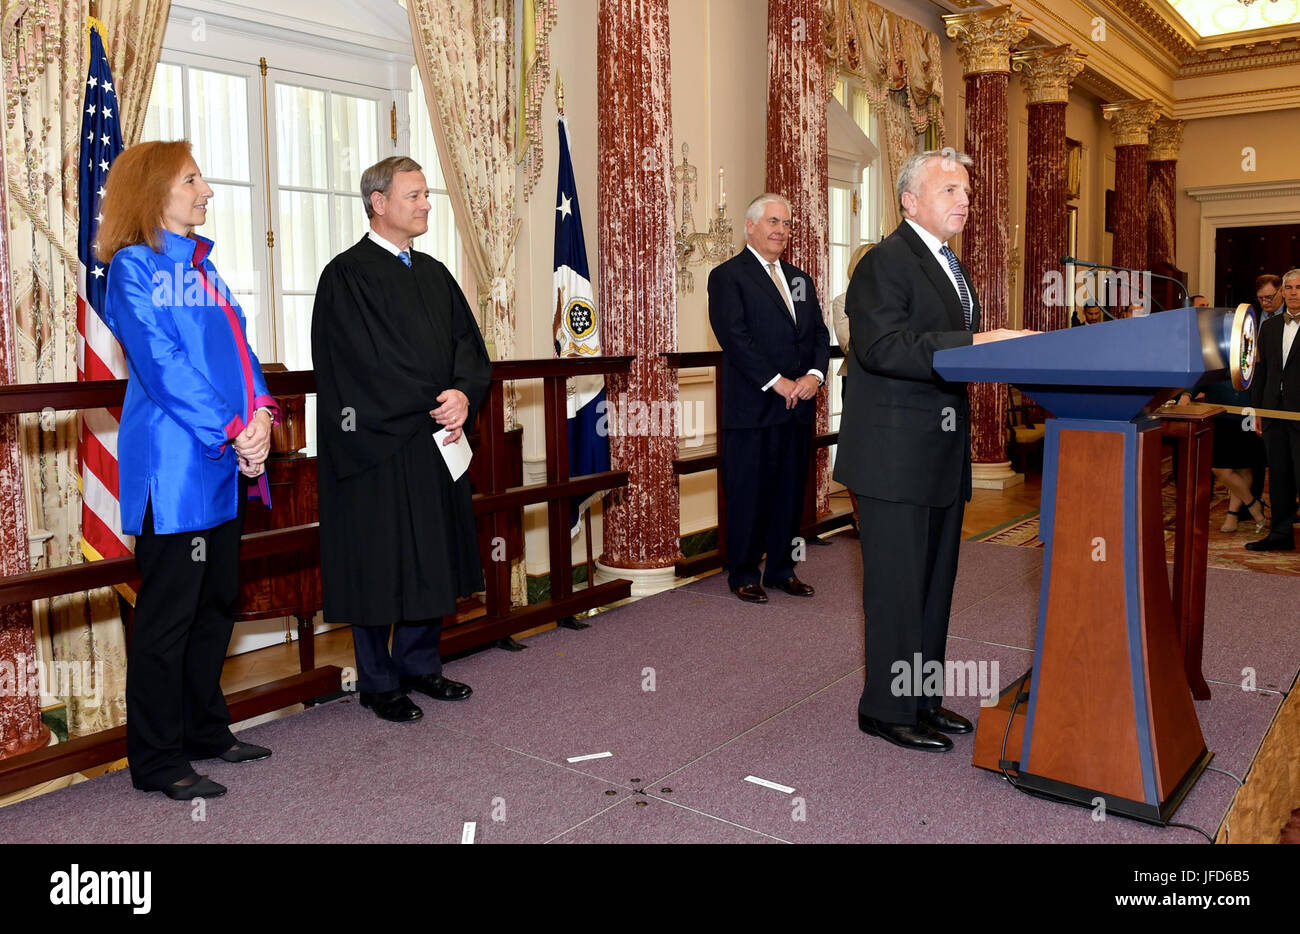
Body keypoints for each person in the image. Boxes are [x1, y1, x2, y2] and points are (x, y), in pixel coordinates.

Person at [834, 147, 1030, 752]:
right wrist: (977, 342)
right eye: (950, 189)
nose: (964, 199)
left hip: (939, 455)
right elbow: (883, 348)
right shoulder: (883, 264)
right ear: (910, 201)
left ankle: (919, 698)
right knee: (896, 588)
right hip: (893, 460)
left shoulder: (950, 265)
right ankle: (885, 710)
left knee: (934, 587)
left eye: (966, 190)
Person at [100, 140, 278, 800]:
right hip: (174, 474)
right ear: (155, 192)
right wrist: (234, 430)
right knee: (167, 619)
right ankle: (156, 759)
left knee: (217, 605)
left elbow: (242, 351)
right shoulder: (131, 269)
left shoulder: (204, 270)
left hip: (225, 466)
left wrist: (261, 416)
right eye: (192, 179)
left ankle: (207, 730)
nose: (205, 190)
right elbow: (163, 366)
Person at [311, 157, 491, 722]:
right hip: (377, 446)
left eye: (426, 195)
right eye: (414, 195)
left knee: (430, 559)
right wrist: (433, 399)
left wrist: (462, 393)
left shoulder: (436, 274)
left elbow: (469, 344)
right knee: (380, 564)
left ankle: (420, 665)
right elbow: (360, 365)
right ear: (378, 202)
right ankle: (378, 680)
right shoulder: (346, 275)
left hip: (436, 439)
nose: (425, 205)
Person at [707, 193, 831, 604]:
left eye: (787, 223)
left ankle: (781, 569)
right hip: (753, 408)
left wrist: (814, 376)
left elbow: (817, 334)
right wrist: (776, 381)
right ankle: (743, 573)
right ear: (751, 226)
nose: (781, 230)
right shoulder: (728, 276)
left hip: (798, 408)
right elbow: (735, 338)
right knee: (748, 493)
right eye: (773, 222)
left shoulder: (800, 279)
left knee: (788, 494)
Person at [1246, 268, 1300, 551]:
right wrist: (1257, 410)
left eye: (1298, 288)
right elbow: (1262, 372)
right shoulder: (1269, 327)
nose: (1293, 293)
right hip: (1273, 415)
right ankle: (1280, 535)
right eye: (1288, 288)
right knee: (1278, 477)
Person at [832, 242, 875, 532]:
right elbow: (850, 345)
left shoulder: (897, 299)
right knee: (857, 450)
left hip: (893, 385)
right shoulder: (842, 301)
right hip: (858, 382)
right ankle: (860, 516)